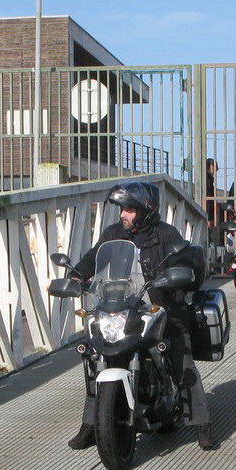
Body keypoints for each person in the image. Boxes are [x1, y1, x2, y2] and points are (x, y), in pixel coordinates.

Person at [67, 181, 216, 451]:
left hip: (161, 309)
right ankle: (91, 424)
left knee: (181, 361)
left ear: (145, 210)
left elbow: (182, 263)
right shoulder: (113, 233)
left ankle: (201, 423)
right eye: (121, 209)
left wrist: (175, 275)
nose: (122, 214)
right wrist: (77, 275)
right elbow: (94, 257)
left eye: (129, 210)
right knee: (96, 358)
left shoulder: (166, 234)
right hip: (124, 307)